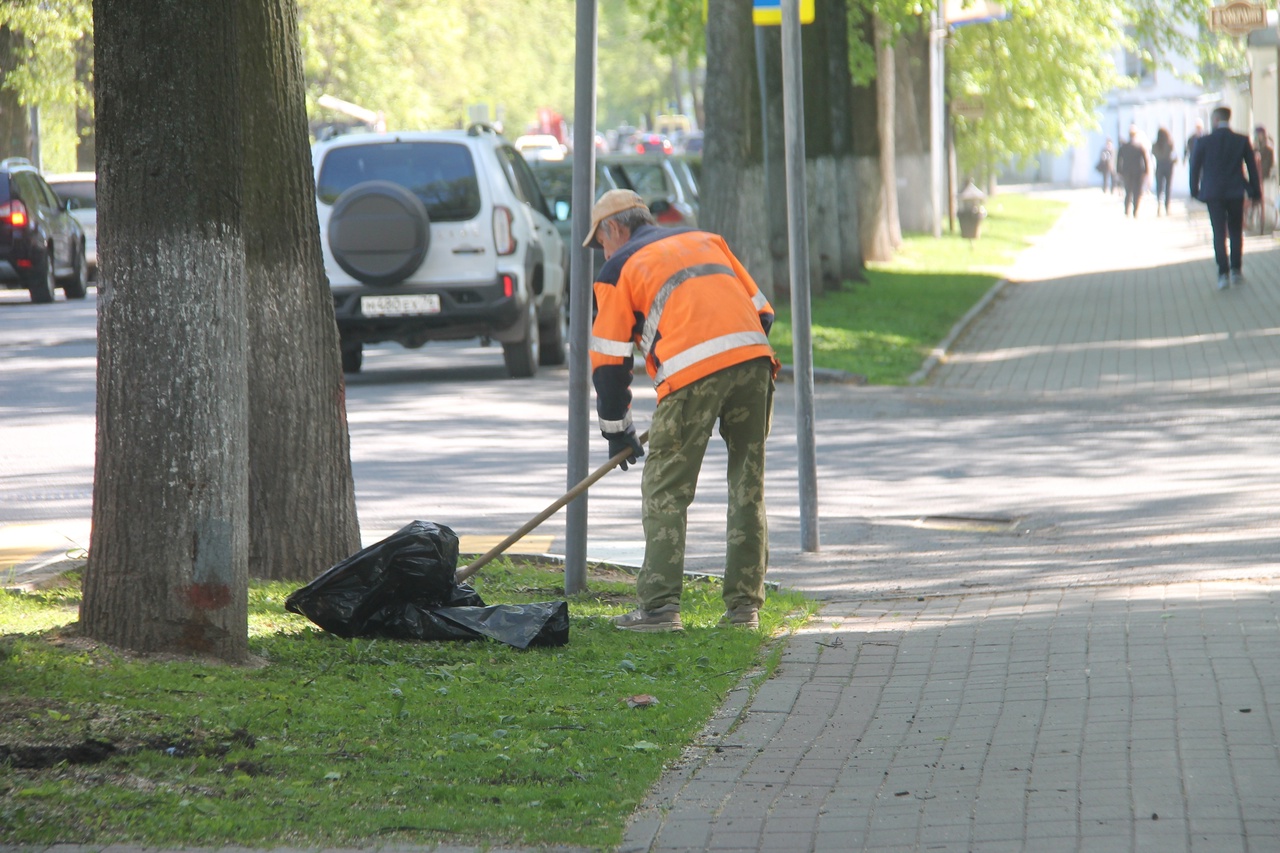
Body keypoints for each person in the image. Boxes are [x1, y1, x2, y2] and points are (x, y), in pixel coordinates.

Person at [584, 189, 778, 633]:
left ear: (614, 228)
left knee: (665, 489)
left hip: (692, 375)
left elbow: (611, 361)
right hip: (753, 361)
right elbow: (762, 313)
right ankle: (744, 611)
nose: (602, 252)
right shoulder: (706, 240)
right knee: (748, 486)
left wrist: (617, 430)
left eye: (600, 242)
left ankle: (658, 610)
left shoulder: (619, 268)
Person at [1189, 106, 1262, 289]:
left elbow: (1194, 167)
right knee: (1236, 231)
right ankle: (1236, 270)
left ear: (1215, 120)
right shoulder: (1241, 140)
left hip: (1213, 193)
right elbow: (1252, 168)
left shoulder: (1204, 141)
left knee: (1219, 232)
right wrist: (1255, 192)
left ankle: (1223, 273)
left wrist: (1194, 191)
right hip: (1235, 191)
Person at [1116, 125, 1149, 217]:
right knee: (1136, 192)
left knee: (1128, 191)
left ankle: (1127, 210)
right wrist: (1146, 171)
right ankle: (1135, 210)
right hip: (1138, 172)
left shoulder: (1124, 147)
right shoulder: (1139, 147)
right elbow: (1145, 160)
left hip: (1127, 172)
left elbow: (1119, 160)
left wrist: (1119, 171)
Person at [1151, 127, 1177, 216]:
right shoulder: (1170, 144)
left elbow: (1153, 154)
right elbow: (1173, 155)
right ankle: (1167, 206)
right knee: (1167, 187)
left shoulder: (1155, 145)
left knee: (1159, 187)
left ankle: (1159, 203)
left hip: (1159, 166)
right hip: (1168, 166)